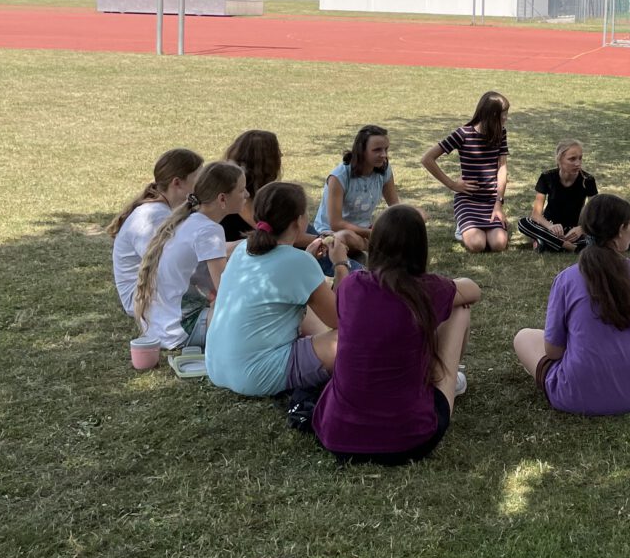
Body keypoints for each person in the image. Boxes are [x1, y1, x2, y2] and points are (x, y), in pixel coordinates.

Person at [312, 204, 481, 462]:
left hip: (338, 435)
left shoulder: (352, 288)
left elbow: (344, 287)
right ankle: (449, 379)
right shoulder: (426, 289)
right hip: (410, 439)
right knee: (460, 309)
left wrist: (340, 263)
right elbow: (473, 290)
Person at [513, 194, 630, 415]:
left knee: (524, 336)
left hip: (574, 395)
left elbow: (553, 351)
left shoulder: (566, 279)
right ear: (619, 231)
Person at [205, 181, 347, 398]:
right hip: (256, 376)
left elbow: (281, 274)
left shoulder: (244, 248)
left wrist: (306, 259)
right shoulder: (297, 262)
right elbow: (341, 320)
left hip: (217, 368)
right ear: (299, 221)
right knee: (353, 340)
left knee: (309, 310)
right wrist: (340, 265)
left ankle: (315, 347)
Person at [132, 161, 247, 350]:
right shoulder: (210, 230)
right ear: (222, 199)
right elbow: (227, 291)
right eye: (242, 190)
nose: (247, 195)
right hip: (183, 330)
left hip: (160, 328)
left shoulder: (188, 220)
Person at [110, 147, 203, 317]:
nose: (202, 186)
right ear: (177, 183)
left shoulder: (163, 211)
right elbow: (172, 265)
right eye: (198, 180)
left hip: (159, 294)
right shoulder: (151, 218)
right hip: (145, 302)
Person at [422, 90, 511, 253]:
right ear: (491, 114)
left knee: (498, 244)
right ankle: (463, 226)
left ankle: (482, 227)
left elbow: (502, 168)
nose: (506, 118)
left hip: (491, 202)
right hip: (468, 201)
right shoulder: (463, 134)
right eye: (503, 114)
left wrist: (498, 204)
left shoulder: (501, 134)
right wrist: (452, 184)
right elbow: (427, 159)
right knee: (477, 245)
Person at [313, 124, 400, 241]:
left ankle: (372, 246)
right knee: (348, 238)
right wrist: (372, 234)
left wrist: (413, 215)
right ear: (361, 151)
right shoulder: (339, 177)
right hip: (333, 233)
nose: (384, 155)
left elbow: (395, 206)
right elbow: (336, 224)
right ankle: (371, 247)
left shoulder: (384, 169)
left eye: (386, 149)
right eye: (377, 150)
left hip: (363, 230)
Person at [517, 139, 598, 252]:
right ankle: (569, 247)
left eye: (580, 158)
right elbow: (535, 215)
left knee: (600, 232)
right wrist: (550, 227)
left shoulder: (587, 180)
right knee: (523, 223)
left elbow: (596, 214)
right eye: (572, 159)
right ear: (559, 159)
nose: (578, 163)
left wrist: (582, 228)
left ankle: (544, 243)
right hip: (549, 227)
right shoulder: (547, 177)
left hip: (574, 231)